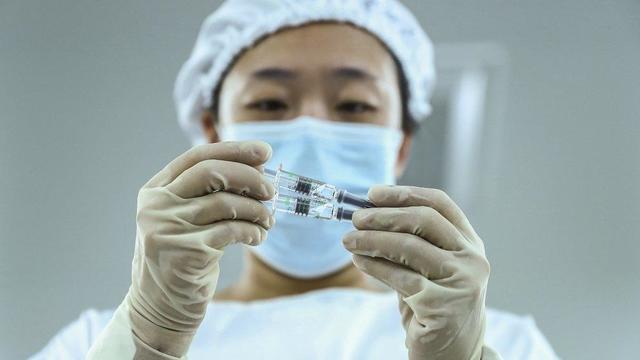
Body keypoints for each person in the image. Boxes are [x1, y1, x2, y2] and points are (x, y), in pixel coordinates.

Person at [32, 0, 558, 359]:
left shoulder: (508, 343)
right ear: (212, 133)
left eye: (354, 105)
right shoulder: (93, 340)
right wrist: (146, 341)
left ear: (400, 144)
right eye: (268, 103)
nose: (310, 130)